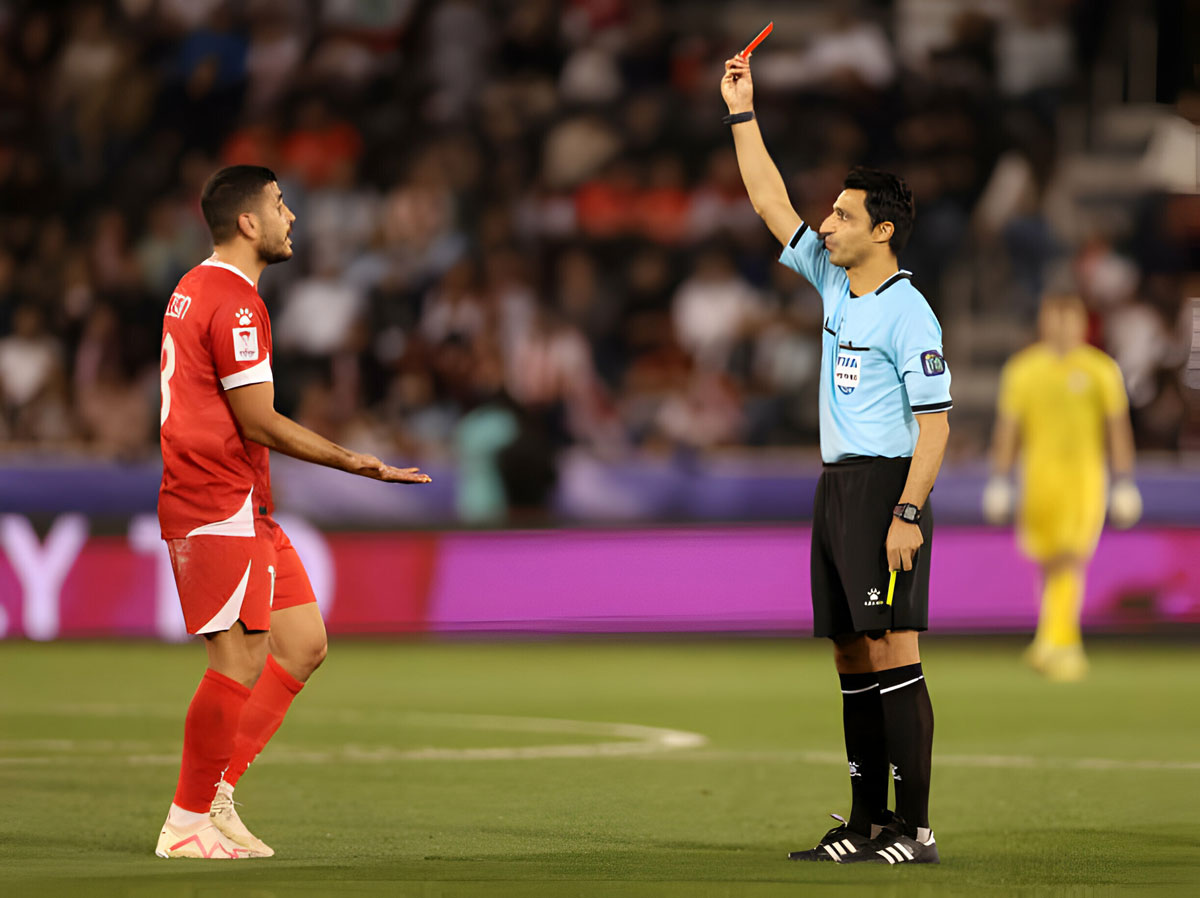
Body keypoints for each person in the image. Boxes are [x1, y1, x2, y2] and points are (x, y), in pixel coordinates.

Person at [155, 165, 430, 859]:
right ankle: (186, 823)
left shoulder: (196, 286)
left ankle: (217, 796)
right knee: (238, 660)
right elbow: (260, 421)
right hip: (216, 502)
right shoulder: (237, 303)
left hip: (244, 502)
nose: (292, 217)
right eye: (280, 205)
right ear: (248, 223)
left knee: (303, 643)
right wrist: (359, 462)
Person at [721, 56, 951, 865]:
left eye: (843, 215)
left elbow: (936, 426)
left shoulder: (909, 313)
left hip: (887, 486)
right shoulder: (832, 282)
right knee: (852, 654)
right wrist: (742, 112)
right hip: (837, 486)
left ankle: (914, 829)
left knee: (895, 649)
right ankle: (863, 822)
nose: (826, 223)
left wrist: (908, 514)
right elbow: (765, 200)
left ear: (880, 230)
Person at [983, 293, 1141, 682]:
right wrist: (999, 480)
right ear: (1042, 321)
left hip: (1085, 479)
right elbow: (1009, 430)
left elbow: (1116, 429)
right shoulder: (1023, 370)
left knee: (1071, 557)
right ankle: (1056, 639)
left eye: (1069, 318)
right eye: (1053, 317)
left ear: (1083, 323)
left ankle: (1057, 644)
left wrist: (1124, 482)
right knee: (1049, 562)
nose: (1061, 326)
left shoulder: (1101, 369)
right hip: (1037, 480)